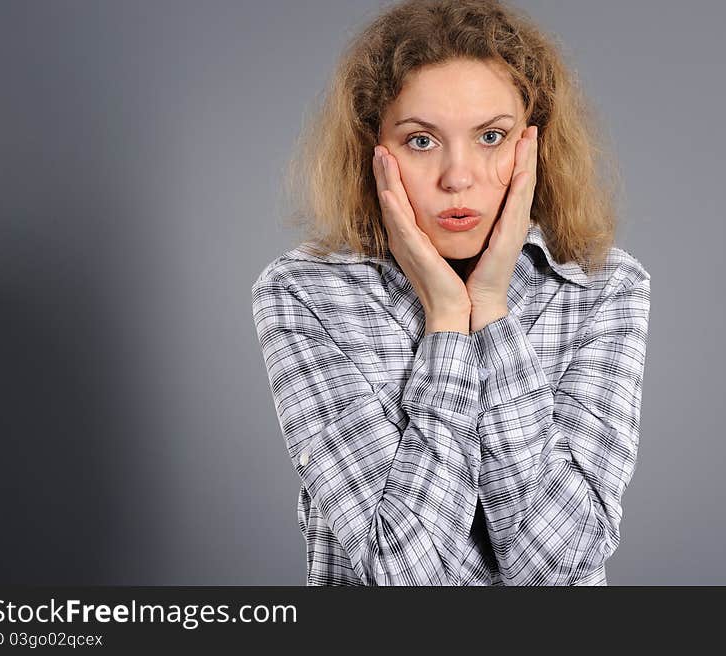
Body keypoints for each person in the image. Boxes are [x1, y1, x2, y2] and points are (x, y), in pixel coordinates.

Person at [252, 0, 650, 585]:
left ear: (533, 144)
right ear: (374, 147)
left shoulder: (606, 289)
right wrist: (446, 319)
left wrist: (489, 309)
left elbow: (560, 564)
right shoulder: (303, 295)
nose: (457, 176)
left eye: (491, 135)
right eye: (421, 141)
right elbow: (401, 572)